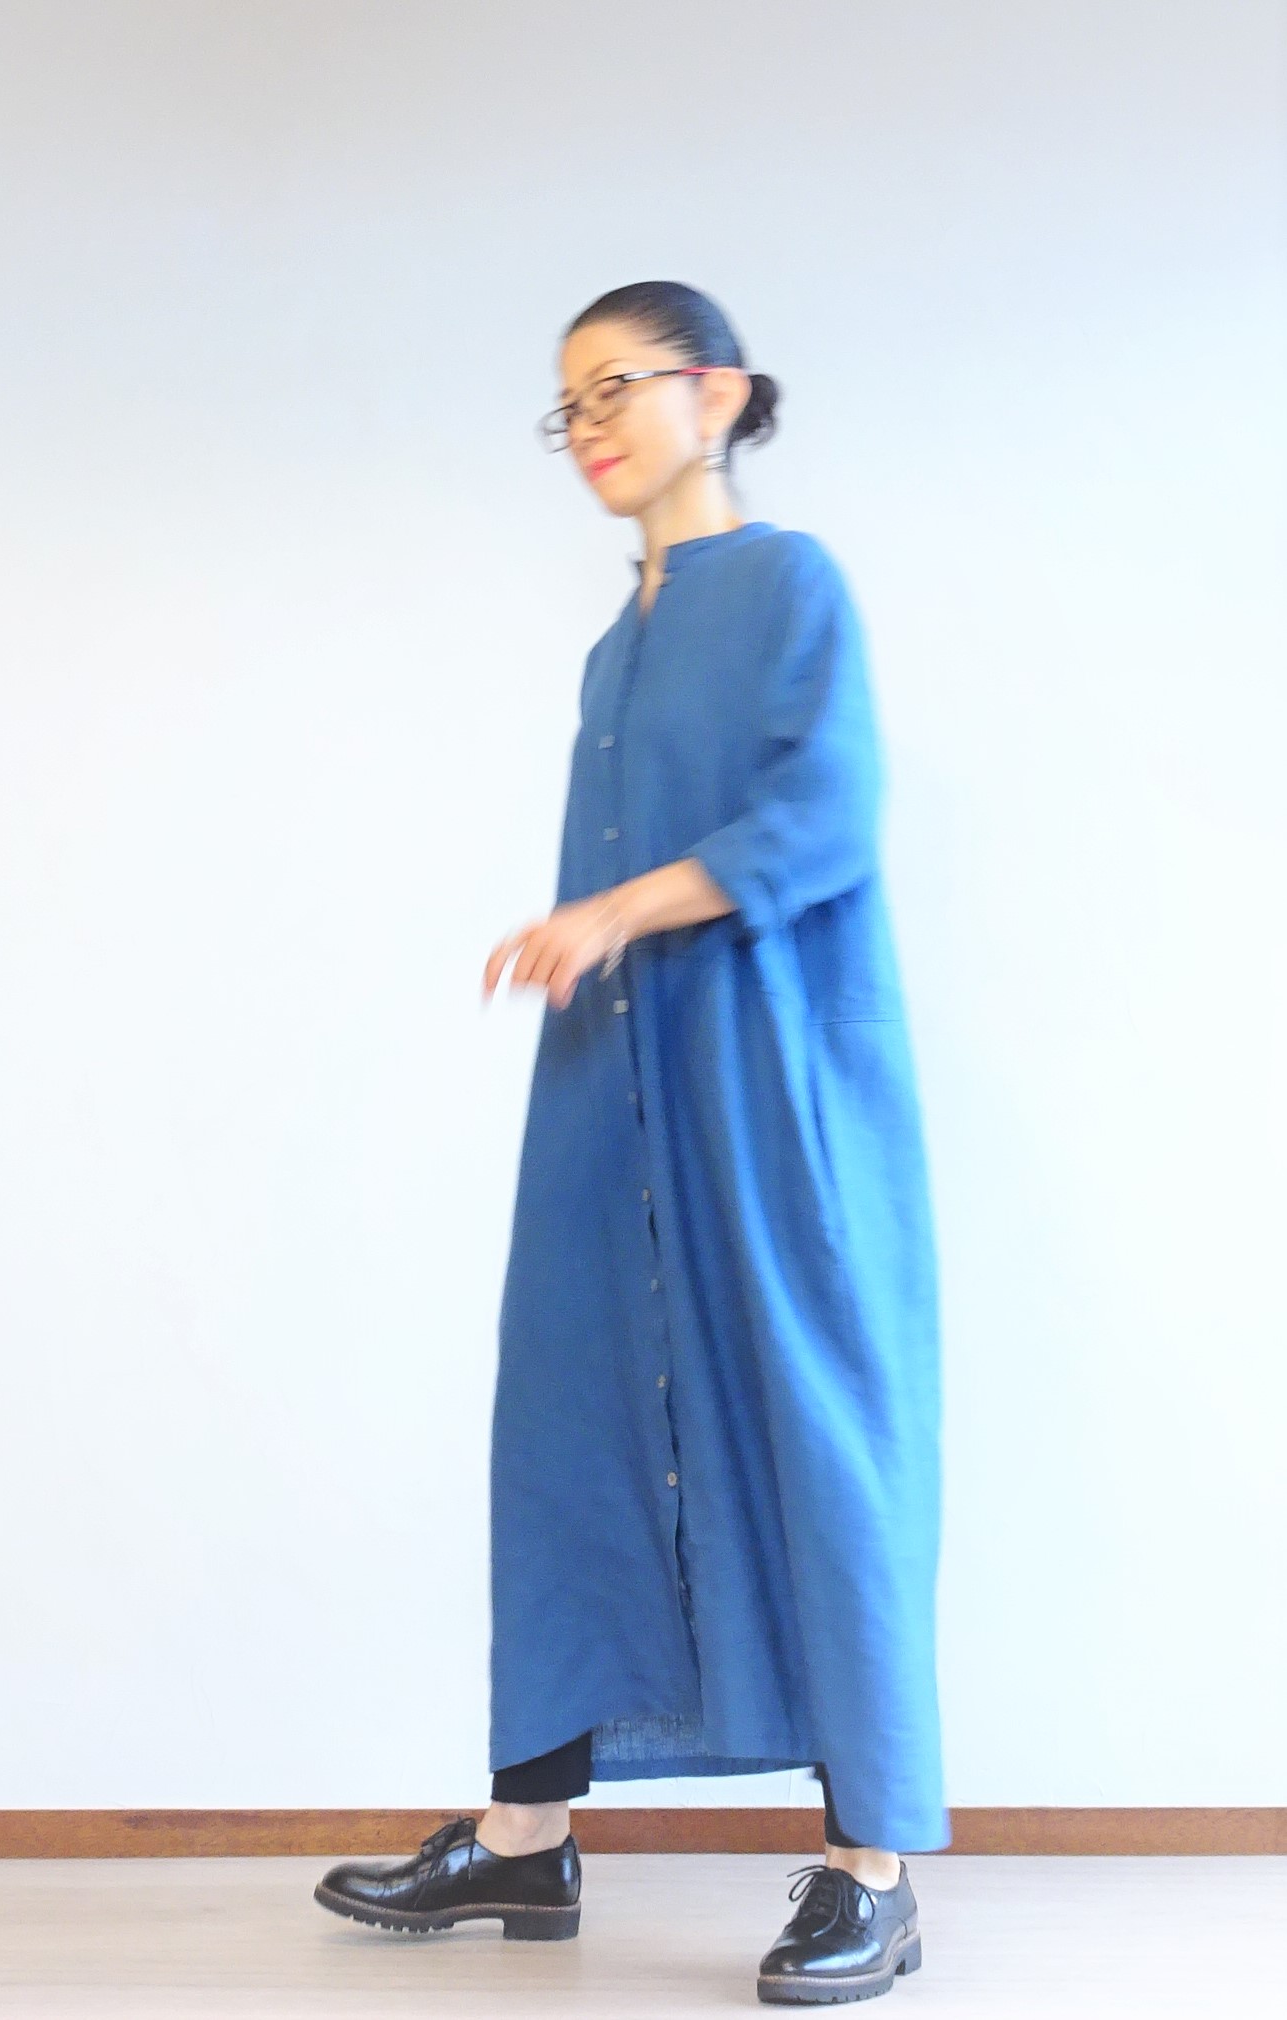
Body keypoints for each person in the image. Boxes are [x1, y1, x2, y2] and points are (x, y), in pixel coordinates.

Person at [314, 280, 946, 2004]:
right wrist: (594, 944)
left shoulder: (791, 584)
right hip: (614, 1092)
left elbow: (828, 814)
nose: (589, 425)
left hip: (769, 1085)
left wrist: (614, 912)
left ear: (718, 394)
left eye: (618, 387)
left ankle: (873, 1872)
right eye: (568, 403)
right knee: (571, 1425)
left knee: (816, 1434)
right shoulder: (616, 644)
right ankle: (525, 1840)